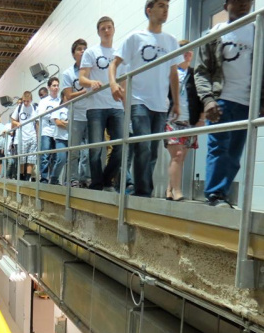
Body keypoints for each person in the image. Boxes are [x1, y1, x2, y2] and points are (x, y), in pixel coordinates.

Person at [109, 0, 182, 197]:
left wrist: (176, 102)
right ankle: (144, 192)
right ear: (149, 10)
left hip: (160, 105)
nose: (165, 10)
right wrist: (114, 84)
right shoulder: (135, 38)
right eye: (160, 5)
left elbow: (173, 74)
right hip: (138, 100)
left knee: (153, 151)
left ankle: (142, 190)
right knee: (143, 146)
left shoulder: (171, 41)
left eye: (167, 6)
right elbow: (114, 64)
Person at [195, 0, 263, 208]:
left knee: (234, 152)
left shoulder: (258, 32)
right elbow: (202, 71)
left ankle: (222, 194)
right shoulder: (215, 33)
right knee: (218, 148)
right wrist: (208, 101)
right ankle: (215, 195)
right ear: (226, 6)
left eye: (248, 1)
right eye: (238, 1)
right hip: (221, 100)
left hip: (246, 103)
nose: (244, 4)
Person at [80, 16, 124, 192]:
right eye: (103, 28)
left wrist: (126, 103)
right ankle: (97, 184)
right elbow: (82, 78)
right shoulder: (91, 52)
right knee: (96, 149)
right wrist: (91, 83)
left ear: (113, 29)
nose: (106, 31)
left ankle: (106, 180)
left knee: (121, 145)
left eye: (109, 27)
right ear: (98, 32)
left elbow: (124, 80)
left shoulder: (119, 53)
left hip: (116, 106)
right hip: (96, 107)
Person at [164, 40, 204, 201]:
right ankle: (177, 192)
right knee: (177, 154)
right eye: (184, 50)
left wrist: (201, 117)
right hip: (172, 120)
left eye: (190, 50)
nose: (187, 53)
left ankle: (169, 188)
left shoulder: (196, 74)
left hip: (189, 121)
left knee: (180, 158)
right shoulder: (171, 72)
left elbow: (201, 96)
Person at [62, 38, 91, 188]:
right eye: (80, 49)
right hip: (76, 115)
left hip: (91, 114)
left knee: (88, 151)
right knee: (74, 151)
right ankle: (72, 178)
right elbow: (68, 95)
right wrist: (86, 91)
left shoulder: (91, 70)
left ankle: (85, 178)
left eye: (85, 48)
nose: (83, 51)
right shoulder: (68, 73)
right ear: (74, 53)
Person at [11, 91, 38, 181]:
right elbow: (13, 120)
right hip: (22, 137)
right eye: (24, 101)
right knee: (22, 159)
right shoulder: (19, 108)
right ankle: (22, 176)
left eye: (28, 101)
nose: (26, 103)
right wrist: (17, 123)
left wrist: (37, 136)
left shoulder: (34, 108)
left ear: (31, 100)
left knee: (31, 158)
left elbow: (37, 122)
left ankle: (28, 177)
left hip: (32, 135)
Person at [38, 77, 61, 183]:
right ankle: (43, 178)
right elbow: (41, 115)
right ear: (49, 87)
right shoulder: (43, 101)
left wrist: (52, 115)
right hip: (46, 131)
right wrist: (54, 115)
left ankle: (53, 179)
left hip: (57, 132)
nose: (56, 87)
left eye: (57, 85)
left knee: (56, 157)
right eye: (54, 85)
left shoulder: (61, 101)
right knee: (45, 156)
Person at [49, 94, 69, 185]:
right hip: (60, 138)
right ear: (63, 97)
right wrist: (68, 124)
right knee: (61, 159)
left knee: (71, 161)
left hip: (72, 138)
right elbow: (57, 122)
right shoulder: (58, 108)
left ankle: (67, 181)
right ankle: (54, 178)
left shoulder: (73, 108)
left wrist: (64, 122)